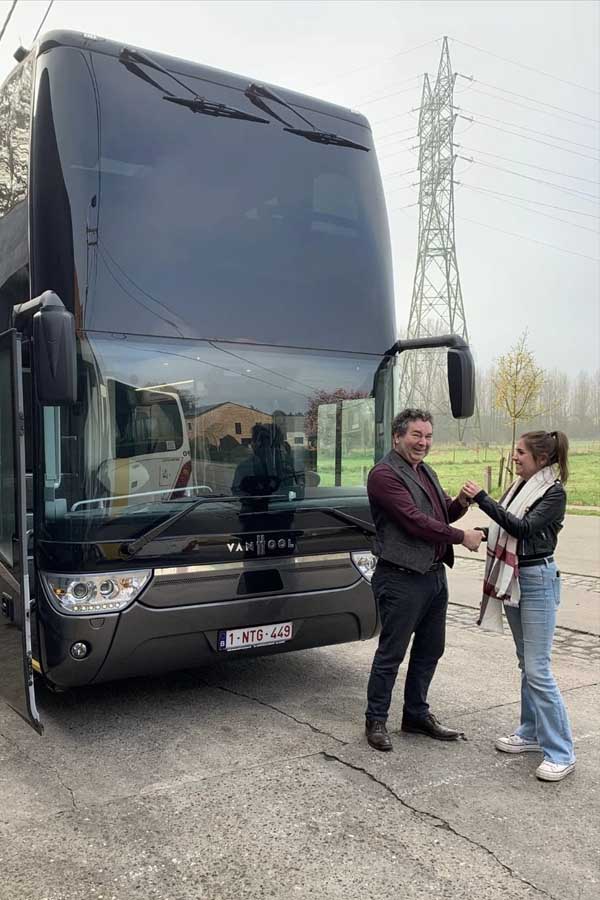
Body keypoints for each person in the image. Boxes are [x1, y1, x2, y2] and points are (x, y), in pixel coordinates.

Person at [364, 408, 483, 751]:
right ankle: (376, 720)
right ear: (398, 436)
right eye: (416, 435)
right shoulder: (384, 475)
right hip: (400, 578)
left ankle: (415, 715)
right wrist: (461, 536)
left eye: (428, 436)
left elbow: (440, 512)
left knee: (431, 649)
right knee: (392, 653)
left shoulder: (425, 470)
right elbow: (414, 521)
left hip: (432, 577)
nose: (423, 442)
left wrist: (460, 502)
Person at [462, 430, 575, 782]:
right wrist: (484, 528)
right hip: (516, 577)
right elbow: (506, 528)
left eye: (521, 453)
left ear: (541, 459)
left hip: (537, 580)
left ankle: (561, 751)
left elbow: (524, 529)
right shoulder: (518, 489)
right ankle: (529, 732)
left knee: (538, 668)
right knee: (526, 663)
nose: (515, 457)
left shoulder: (553, 493)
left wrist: (482, 498)